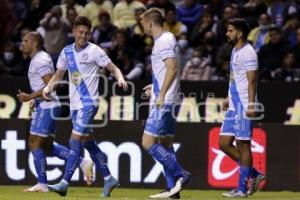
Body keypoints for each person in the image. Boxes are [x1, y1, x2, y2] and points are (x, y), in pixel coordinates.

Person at [42, 16, 127, 197]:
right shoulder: (66, 52)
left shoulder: (95, 51)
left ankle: (64, 183)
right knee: (89, 144)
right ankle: (109, 178)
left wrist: (119, 77)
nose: (83, 36)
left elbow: (113, 68)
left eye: (87, 33)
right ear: (74, 32)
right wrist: (48, 87)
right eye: (80, 32)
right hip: (75, 106)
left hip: (89, 104)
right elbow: (58, 75)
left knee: (74, 141)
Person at [17, 31, 94, 192]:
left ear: (35, 44)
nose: (22, 44)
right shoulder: (37, 59)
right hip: (45, 106)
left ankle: (42, 183)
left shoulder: (40, 60)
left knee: (34, 142)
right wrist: (35, 99)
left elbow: (51, 85)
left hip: (48, 107)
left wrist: (29, 96)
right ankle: (81, 162)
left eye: (25, 41)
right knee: (47, 147)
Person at [140, 8, 191, 199]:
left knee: (147, 142)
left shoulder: (162, 42)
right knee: (165, 143)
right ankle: (172, 190)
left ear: (150, 23)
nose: (142, 26)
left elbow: (172, 67)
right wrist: (153, 86)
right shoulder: (168, 38)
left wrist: (160, 94)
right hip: (169, 97)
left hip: (165, 100)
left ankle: (181, 175)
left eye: (143, 23)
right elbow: (167, 70)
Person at [219, 18, 266, 198]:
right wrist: (227, 97)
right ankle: (254, 175)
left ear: (239, 33)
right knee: (223, 143)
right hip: (233, 103)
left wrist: (252, 105)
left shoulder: (249, 53)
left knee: (243, 145)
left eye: (230, 30)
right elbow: (234, 77)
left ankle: (242, 189)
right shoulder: (234, 50)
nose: (227, 33)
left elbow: (252, 80)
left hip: (245, 104)